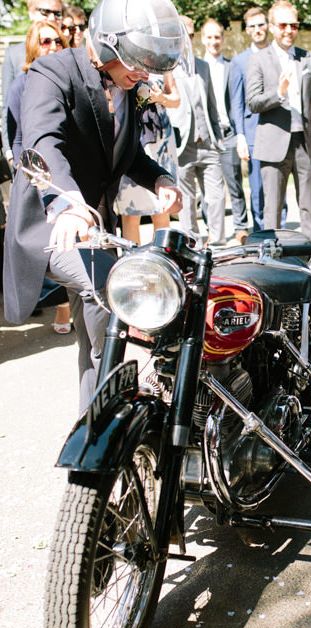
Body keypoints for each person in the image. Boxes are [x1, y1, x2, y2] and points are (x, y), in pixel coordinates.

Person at [2, 0, 184, 410]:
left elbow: (129, 154)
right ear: (106, 46)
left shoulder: (127, 86)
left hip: (99, 228)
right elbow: (43, 141)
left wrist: (160, 177)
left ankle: (95, 419)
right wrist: (67, 202)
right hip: (53, 224)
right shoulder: (52, 72)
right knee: (111, 289)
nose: (143, 74)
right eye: (136, 62)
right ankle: (107, 414)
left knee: (96, 332)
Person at [5, 20, 71, 335]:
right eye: (45, 41)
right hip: (34, 176)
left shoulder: (69, 78)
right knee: (42, 247)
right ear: (33, 45)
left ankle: (66, 307)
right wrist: (24, 168)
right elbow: (17, 134)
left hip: (66, 172)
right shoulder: (22, 83)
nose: (52, 47)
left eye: (57, 41)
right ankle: (56, 303)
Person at [246, 0, 311, 243]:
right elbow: (253, 102)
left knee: (309, 210)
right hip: (273, 145)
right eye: (283, 25)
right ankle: (273, 267)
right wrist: (279, 93)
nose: (289, 30)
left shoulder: (308, 58)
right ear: (272, 27)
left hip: (305, 141)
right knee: (272, 213)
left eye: (294, 25)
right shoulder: (259, 59)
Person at [229, 6, 287, 239]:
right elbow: (237, 103)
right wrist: (240, 136)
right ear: (247, 30)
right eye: (252, 26)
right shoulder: (240, 61)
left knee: (279, 187)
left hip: (279, 131)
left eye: (261, 24)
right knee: (258, 189)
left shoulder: (281, 55)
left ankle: (282, 235)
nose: (257, 30)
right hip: (253, 135)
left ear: (268, 26)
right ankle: (261, 237)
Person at [168, 16, 226, 248]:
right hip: (182, 143)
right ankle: (192, 241)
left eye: (190, 35)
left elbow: (211, 103)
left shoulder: (203, 66)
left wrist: (217, 137)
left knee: (216, 196)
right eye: (183, 35)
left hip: (208, 142)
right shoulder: (166, 66)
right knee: (187, 199)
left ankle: (218, 241)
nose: (187, 40)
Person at [113, 71, 180, 244]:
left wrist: (159, 98)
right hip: (131, 134)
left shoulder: (163, 65)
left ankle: (160, 261)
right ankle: (133, 264)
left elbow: (176, 99)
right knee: (130, 212)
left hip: (160, 142)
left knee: (161, 208)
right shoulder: (126, 63)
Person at [201, 18, 249, 239]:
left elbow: (238, 103)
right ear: (203, 39)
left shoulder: (232, 66)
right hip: (206, 135)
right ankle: (212, 229)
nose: (214, 41)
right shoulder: (197, 68)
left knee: (234, 182)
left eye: (217, 37)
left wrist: (240, 134)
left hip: (227, 132)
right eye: (209, 37)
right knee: (207, 188)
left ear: (223, 39)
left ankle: (240, 227)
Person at [1, 0, 63, 167]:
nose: (52, 17)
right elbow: (8, 107)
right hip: (28, 152)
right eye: (45, 11)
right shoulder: (14, 55)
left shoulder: (66, 50)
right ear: (31, 12)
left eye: (57, 13)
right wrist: (10, 153)